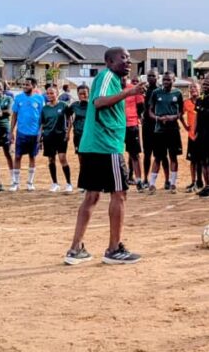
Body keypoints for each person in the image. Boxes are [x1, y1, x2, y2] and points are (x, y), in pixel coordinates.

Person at [64, 47, 147, 265]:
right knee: (119, 194)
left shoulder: (113, 80)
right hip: (106, 145)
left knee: (92, 196)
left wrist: (129, 90)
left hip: (96, 144)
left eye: (129, 58)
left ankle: (75, 249)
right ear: (109, 61)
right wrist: (130, 92)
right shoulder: (106, 76)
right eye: (123, 58)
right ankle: (113, 249)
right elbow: (99, 102)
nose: (128, 61)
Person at [148, 71, 186, 194]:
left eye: (168, 80)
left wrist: (173, 117)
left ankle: (173, 183)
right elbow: (150, 111)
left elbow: (181, 111)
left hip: (173, 129)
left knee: (173, 157)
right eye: (164, 80)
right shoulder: (155, 93)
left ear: (173, 80)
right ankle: (152, 184)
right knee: (158, 157)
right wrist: (158, 118)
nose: (166, 82)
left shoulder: (178, 93)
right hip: (159, 130)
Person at [10, 77, 45, 192]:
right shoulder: (18, 98)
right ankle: (15, 182)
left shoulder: (40, 99)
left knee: (32, 157)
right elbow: (14, 115)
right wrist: (11, 131)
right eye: (24, 84)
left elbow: (42, 117)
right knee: (18, 156)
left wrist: (40, 132)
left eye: (27, 84)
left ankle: (30, 182)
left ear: (34, 86)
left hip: (34, 134)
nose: (25, 86)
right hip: (21, 133)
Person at [40, 86, 73, 193]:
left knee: (62, 158)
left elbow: (70, 119)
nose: (49, 95)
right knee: (51, 159)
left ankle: (69, 183)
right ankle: (55, 183)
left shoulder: (63, 105)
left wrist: (68, 133)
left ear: (57, 93)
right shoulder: (45, 108)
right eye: (48, 93)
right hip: (48, 136)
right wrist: (40, 136)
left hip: (61, 136)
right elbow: (42, 123)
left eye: (52, 93)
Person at [121, 77, 145, 189]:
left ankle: (139, 180)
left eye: (124, 78)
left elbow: (141, 106)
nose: (122, 80)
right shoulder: (113, 89)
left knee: (135, 154)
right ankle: (120, 179)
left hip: (131, 125)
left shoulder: (134, 89)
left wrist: (137, 118)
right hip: (117, 127)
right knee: (115, 154)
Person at [183, 82, 202, 193]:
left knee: (202, 161)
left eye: (195, 87)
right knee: (193, 160)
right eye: (191, 87)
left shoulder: (203, 101)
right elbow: (180, 114)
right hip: (192, 135)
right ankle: (193, 181)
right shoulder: (187, 103)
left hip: (202, 135)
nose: (193, 89)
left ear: (199, 89)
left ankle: (202, 181)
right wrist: (185, 126)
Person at [141, 69, 159, 189]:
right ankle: (145, 179)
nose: (151, 77)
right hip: (147, 125)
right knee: (147, 154)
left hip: (158, 125)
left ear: (158, 77)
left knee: (159, 154)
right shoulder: (145, 91)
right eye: (149, 76)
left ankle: (165, 180)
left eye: (153, 76)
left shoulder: (160, 91)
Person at [68, 85, 89, 162]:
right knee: (80, 157)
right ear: (77, 94)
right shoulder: (74, 105)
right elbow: (68, 117)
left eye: (85, 93)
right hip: (78, 135)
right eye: (80, 94)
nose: (83, 95)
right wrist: (67, 133)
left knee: (90, 157)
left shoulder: (92, 105)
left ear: (88, 94)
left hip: (89, 136)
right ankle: (83, 173)